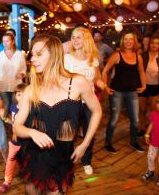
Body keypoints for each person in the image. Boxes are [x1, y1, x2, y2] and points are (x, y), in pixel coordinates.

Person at [13, 34, 102, 194]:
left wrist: (85, 144)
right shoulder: (31, 89)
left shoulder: (77, 83)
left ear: (54, 54)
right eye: (32, 54)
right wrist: (32, 132)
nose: (32, 59)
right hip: (35, 157)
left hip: (62, 158)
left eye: (39, 54)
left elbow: (97, 111)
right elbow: (17, 127)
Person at [64, 27, 104, 175]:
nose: (75, 40)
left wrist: (101, 83)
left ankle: (86, 160)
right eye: (73, 37)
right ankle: (68, 161)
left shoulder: (93, 60)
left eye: (79, 37)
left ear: (86, 39)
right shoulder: (66, 59)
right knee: (69, 134)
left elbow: (97, 78)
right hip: (72, 102)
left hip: (89, 102)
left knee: (89, 133)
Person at [102, 31, 146, 153]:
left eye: (131, 39)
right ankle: (108, 143)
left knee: (135, 120)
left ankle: (133, 142)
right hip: (117, 92)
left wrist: (144, 85)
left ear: (134, 41)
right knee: (114, 118)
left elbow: (142, 71)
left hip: (132, 92)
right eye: (126, 39)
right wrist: (105, 86)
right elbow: (105, 71)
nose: (128, 41)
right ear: (122, 41)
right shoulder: (117, 55)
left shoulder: (138, 56)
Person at [0, 83, 27, 194]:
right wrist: (4, 118)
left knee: (26, 161)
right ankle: (7, 182)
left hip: (27, 142)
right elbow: (13, 123)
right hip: (15, 140)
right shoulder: (13, 107)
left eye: (24, 95)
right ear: (15, 95)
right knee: (10, 161)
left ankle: (27, 176)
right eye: (19, 94)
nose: (21, 97)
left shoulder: (31, 109)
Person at [138, 35, 159, 135]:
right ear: (149, 44)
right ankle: (141, 129)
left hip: (155, 86)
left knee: (153, 111)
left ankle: (151, 131)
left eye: (157, 43)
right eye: (152, 43)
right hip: (143, 86)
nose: (154, 45)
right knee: (141, 109)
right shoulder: (143, 55)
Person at [0, 33, 26, 117]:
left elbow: (24, 68)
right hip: (3, 85)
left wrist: (22, 74)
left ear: (13, 41)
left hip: (16, 85)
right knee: (6, 106)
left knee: (15, 106)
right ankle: (6, 127)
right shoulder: (0, 55)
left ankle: (14, 126)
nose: (5, 43)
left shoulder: (19, 55)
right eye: (3, 41)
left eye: (7, 41)